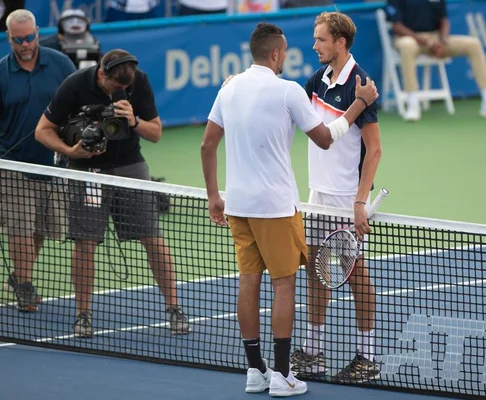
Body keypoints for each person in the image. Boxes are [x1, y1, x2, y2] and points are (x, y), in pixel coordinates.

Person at [201, 22, 378, 397]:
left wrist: (214, 196)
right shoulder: (302, 86)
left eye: (320, 39)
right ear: (277, 53)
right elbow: (315, 128)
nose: (312, 45)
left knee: (256, 283)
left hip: (261, 204)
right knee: (297, 280)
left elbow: (206, 147)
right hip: (293, 203)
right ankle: (296, 364)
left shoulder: (231, 88)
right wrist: (360, 103)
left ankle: (262, 370)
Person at [34, 49, 189, 338]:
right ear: (101, 74)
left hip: (130, 164)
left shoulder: (137, 81)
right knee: (85, 243)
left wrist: (133, 121)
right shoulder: (75, 84)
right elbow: (42, 130)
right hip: (87, 170)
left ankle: (174, 307)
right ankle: (83, 315)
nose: (121, 91)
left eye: (125, 89)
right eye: (115, 87)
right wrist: (70, 151)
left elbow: (155, 133)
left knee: (153, 238)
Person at [289, 11, 383, 384]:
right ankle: (314, 352)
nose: (314, 46)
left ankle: (367, 356)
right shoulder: (320, 79)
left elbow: (374, 151)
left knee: (357, 276)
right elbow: (290, 100)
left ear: (340, 42)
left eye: (321, 40)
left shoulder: (361, 85)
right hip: (318, 195)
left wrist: (360, 201)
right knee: (316, 273)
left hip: (346, 199)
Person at [0, 9, 76, 311]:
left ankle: (18, 275)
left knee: (42, 230)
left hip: (54, 161)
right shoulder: (2, 73)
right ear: (9, 38)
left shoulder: (60, 64)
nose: (26, 44)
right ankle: (26, 288)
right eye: (19, 40)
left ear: (37, 31)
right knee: (20, 226)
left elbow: (80, 100)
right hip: (14, 163)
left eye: (30, 37)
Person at [386, 0, 486, 122]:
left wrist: (443, 41)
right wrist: (428, 42)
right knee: (408, 46)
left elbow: (444, 21)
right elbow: (397, 27)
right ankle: (412, 103)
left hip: (436, 39)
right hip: (409, 38)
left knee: (473, 44)